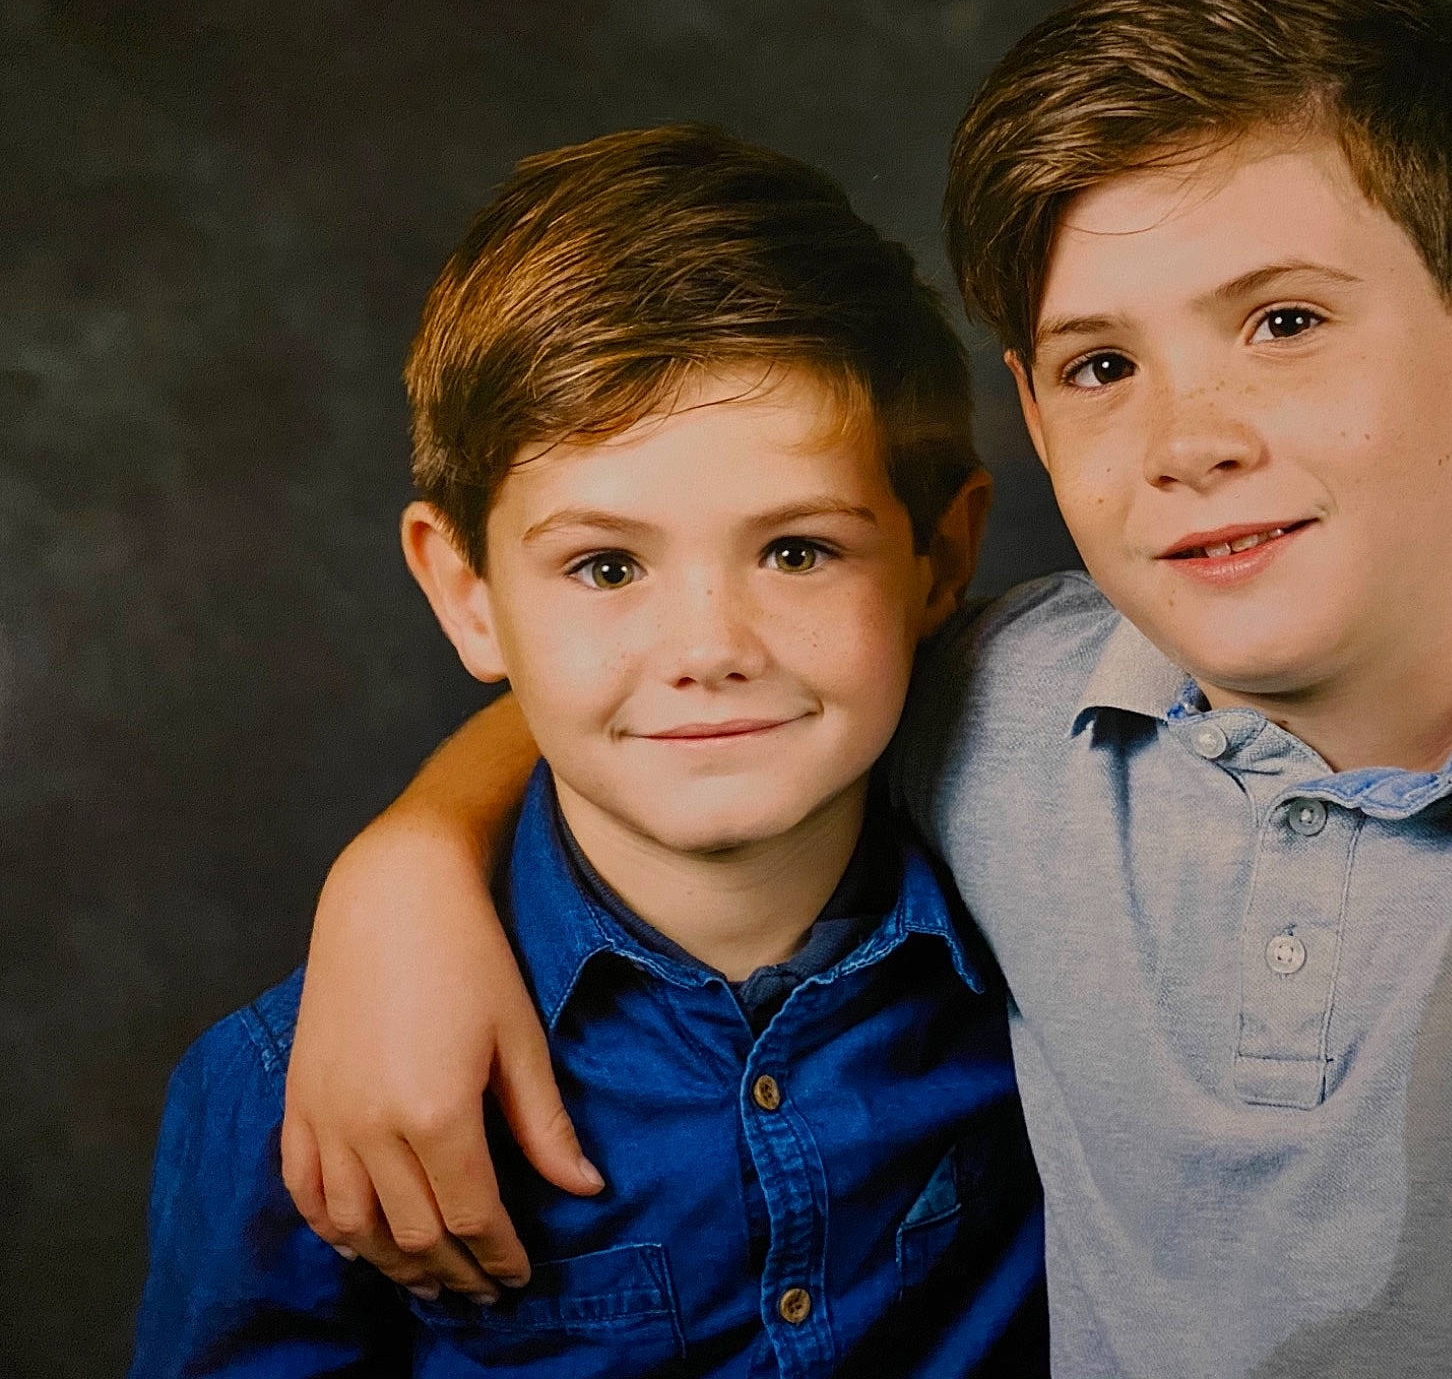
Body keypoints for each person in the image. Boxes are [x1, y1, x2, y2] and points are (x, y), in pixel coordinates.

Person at [273, 0, 1452, 1376]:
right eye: (1098, 365)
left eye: (1283, 322)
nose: (1187, 438)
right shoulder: (1002, 711)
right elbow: (682, 693)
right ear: (1025, 404)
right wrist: (405, 865)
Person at [131, 126, 1048, 1376]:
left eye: (796, 550)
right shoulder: (299, 1092)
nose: (709, 647)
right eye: (606, 566)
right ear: (465, 594)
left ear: (941, 555)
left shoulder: (1058, 946)